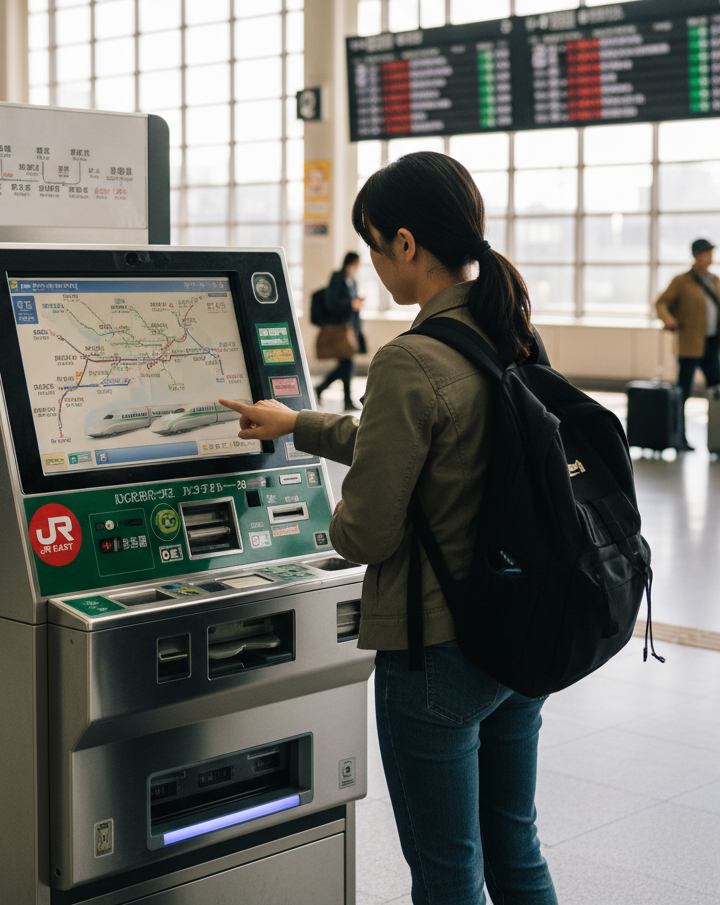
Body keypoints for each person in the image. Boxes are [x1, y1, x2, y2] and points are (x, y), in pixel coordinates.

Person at [222, 151, 557, 905]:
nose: (374, 264)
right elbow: (433, 442)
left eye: (375, 245)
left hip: (435, 650)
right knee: (516, 848)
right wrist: (297, 424)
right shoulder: (508, 328)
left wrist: (309, 526)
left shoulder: (410, 356)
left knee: (446, 873)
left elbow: (367, 533)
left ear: (406, 244)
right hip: (517, 634)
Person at [655, 238, 720, 451]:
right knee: (683, 392)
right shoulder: (681, 281)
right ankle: (679, 437)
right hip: (689, 345)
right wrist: (668, 319)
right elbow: (661, 303)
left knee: (717, 391)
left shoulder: (714, 280)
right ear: (696, 255)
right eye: (706, 253)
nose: (710, 257)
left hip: (712, 343)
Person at [314, 251, 365, 410]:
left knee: (346, 365)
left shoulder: (352, 281)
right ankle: (345, 399)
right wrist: (351, 304)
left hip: (349, 328)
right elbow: (331, 302)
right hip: (338, 328)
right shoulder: (337, 277)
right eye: (356, 264)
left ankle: (323, 388)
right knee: (347, 364)